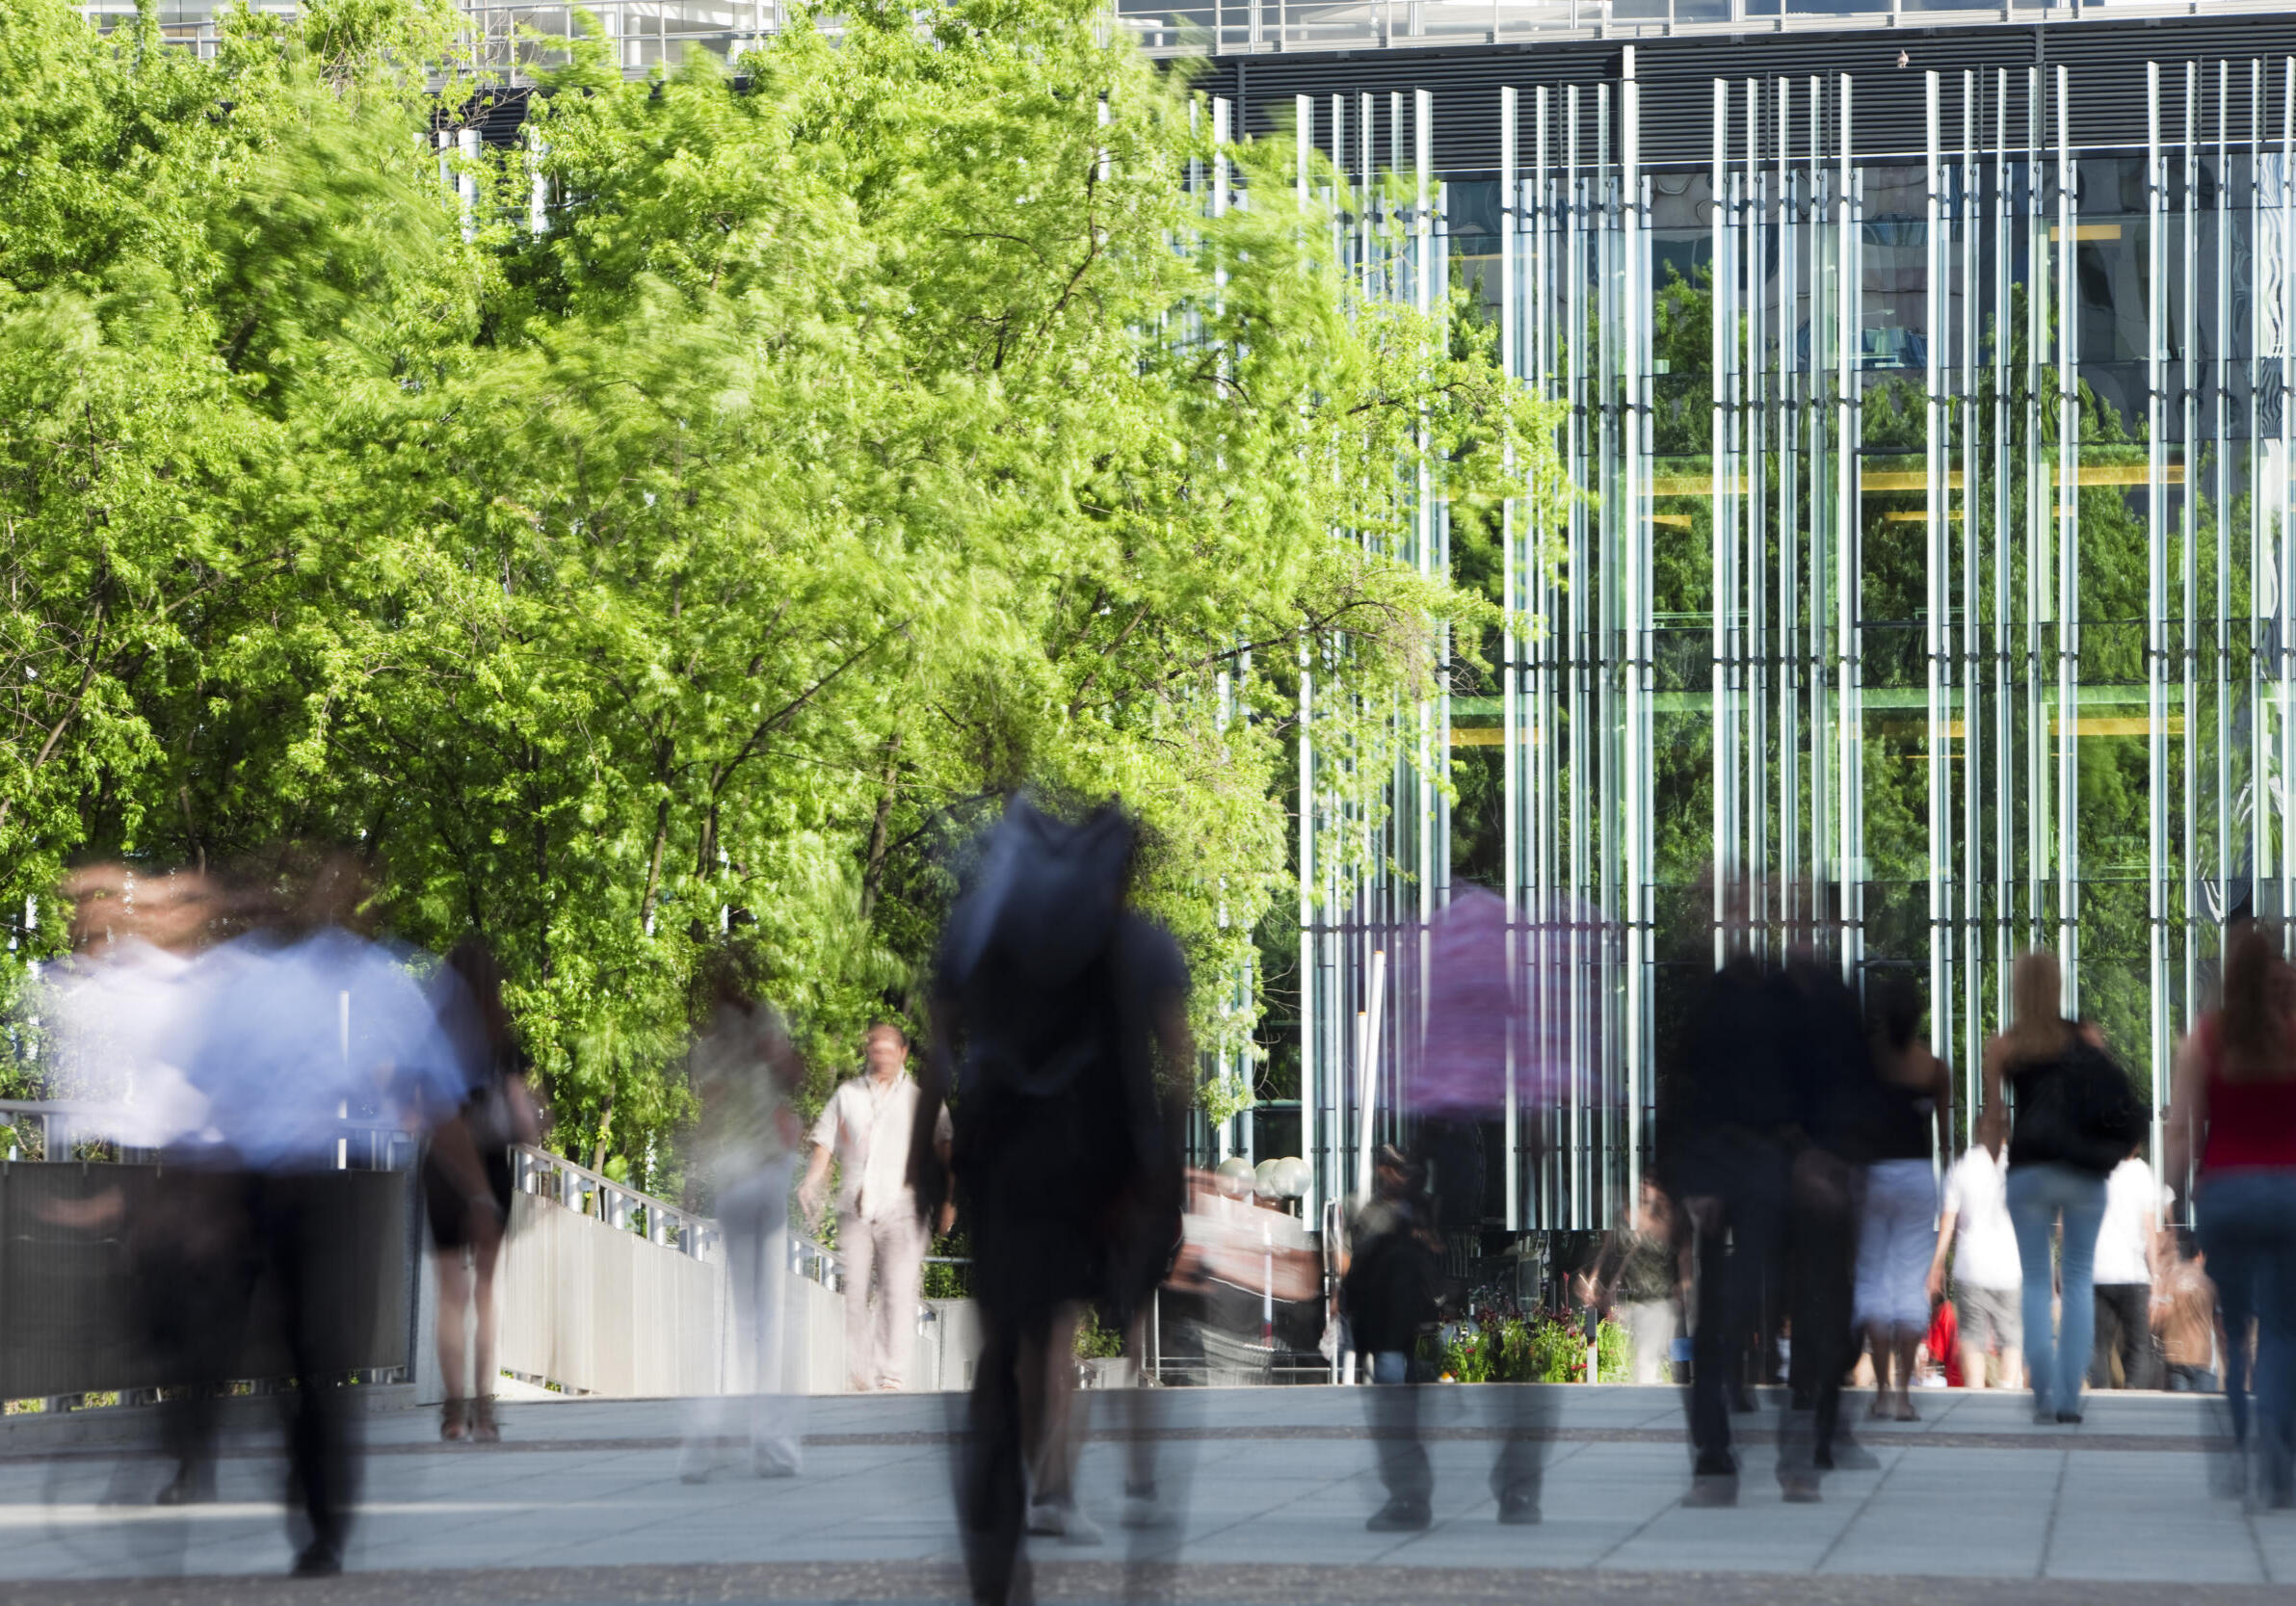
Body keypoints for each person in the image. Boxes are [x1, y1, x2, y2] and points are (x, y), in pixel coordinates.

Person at [918, 797, 1189, 1606]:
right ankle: (1066, 1494)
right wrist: (1165, 1169)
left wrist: (923, 1164)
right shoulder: (1142, 943)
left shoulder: (985, 928)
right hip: (1098, 1182)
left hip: (1003, 1175)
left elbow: (936, 1046)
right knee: (1068, 1335)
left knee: (1003, 1353)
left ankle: (1000, 1563)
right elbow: (1177, 1065)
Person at [181, 856, 479, 1576]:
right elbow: (213, 1087)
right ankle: (305, 1475)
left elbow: (435, 1092)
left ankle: (323, 1522)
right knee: (287, 1354)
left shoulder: (380, 982)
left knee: (322, 1358)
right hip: (264, 1181)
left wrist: (470, 1184)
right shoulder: (263, 977)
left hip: (332, 1187)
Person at [2165, 925, 2296, 1503]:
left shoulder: (2207, 1039)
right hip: (2289, 1193)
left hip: (2226, 1192)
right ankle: (2276, 1436)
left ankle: (2240, 1437)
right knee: (2284, 1331)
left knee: (2234, 1330)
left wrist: (2173, 1207)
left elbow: (2179, 1131)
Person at [1983, 949, 2141, 1427]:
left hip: (2029, 1171)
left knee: (2034, 1281)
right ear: (2057, 986)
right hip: (2083, 1172)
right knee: (2075, 1280)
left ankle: (2043, 1387)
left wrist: (1993, 1169)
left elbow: (1995, 1120)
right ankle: (2070, 1396)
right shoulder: (2083, 1037)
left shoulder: (2004, 1046)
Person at [1665, 946, 1793, 1507]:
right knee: (1739, 1302)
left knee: (1717, 1313)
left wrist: (1686, 1183)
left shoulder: (1710, 1012)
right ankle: (1731, 1442)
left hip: (1724, 1177)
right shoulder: (1776, 1013)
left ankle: (1715, 1456)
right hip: (1759, 1176)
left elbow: (1678, 1097)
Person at [680, 974, 808, 1482]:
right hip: (766, 1175)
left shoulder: (710, 1050)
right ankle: (768, 1442)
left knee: (748, 1313)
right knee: (767, 1315)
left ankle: (710, 1435)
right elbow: (794, 1076)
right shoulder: (763, 1032)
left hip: (735, 1181)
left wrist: (695, 1173)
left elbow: (710, 1118)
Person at [423, 939, 541, 1443]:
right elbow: (523, 1120)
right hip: (491, 1166)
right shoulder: (501, 1035)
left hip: (444, 1164)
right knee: (488, 1291)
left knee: (451, 1292)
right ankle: (485, 1410)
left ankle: (453, 1413)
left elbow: (416, 1109)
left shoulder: (432, 1037)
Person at [798, 1023, 952, 1393]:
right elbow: (825, 1142)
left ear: (903, 1053)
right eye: (874, 1048)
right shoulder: (847, 1095)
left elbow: (946, 1149)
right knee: (853, 1291)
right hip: (856, 1205)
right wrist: (812, 1180)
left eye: (887, 1049)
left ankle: (891, 1376)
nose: (880, 1055)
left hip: (905, 1207)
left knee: (897, 1294)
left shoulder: (922, 1100)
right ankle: (860, 1372)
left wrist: (948, 1199)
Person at [1855, 976, 1950, 1422]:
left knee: (1873, 1281)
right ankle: (1905, 1396)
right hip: (1916, 1176)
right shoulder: (1932, 1067)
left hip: (1873, 1175)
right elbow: (1946, 1140)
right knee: (1910, 1285)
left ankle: (1879, 1394)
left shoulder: (1866, 1061)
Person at [1341, 1145, 1442, 1529]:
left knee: (1396, 1420)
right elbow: (1362, 1269)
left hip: (1400, 1334)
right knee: (1392, 1419)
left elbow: (1425, 1263)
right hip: (1382, 1330)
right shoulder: (1369, 1213)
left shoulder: (1418, 1212)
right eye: (1387, 1168)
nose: (1393, 1175)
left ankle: (1409, 1498)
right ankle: (1408, 1496)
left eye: (1399, 1168)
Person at [1925, 1104, 2023, 1391]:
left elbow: (1947, 1223)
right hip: (2009, 1266)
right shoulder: (2018, 1169)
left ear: (1978, 1132)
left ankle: (1976, 1392)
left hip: (1971, 1266)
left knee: (1972, 1335)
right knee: (2011, 1336)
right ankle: (2008, 1389)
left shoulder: (1962, 1166)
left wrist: (1937, 1264)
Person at [1577, 1178, 1682, 1387]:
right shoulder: (1627, 1216)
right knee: (1644, 1360)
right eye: (1642, 1182)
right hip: (1635, 1299)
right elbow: (1607, 1252)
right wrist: (1595, 1280)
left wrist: (1683, 1286)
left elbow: (1680, 1256)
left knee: (1646, 1359)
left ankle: (1651, 1394)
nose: (1644, 1186)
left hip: (1658, 1299)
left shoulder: (1662, 1220)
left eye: (1650, 1183)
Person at [2089, 1144, 2165, 1391]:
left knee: (2099, 1344)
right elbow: (2149, 1229)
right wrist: (2155, 1277)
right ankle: (2134, 1393)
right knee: (2139, 1345)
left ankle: (2100, 1394)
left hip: (2098, 1272)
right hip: (2134, 1275)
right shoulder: (2141, 1172)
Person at [2151, 1227, 2220, 1395]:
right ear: (2201, 1254)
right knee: (2207, 1412)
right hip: (2203, 1358)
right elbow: (2220, 1325)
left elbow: (2160, 1316)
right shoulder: (2210, 1281)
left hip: (2176, 1356)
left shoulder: (2170, 1279)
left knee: (2180, 1408)